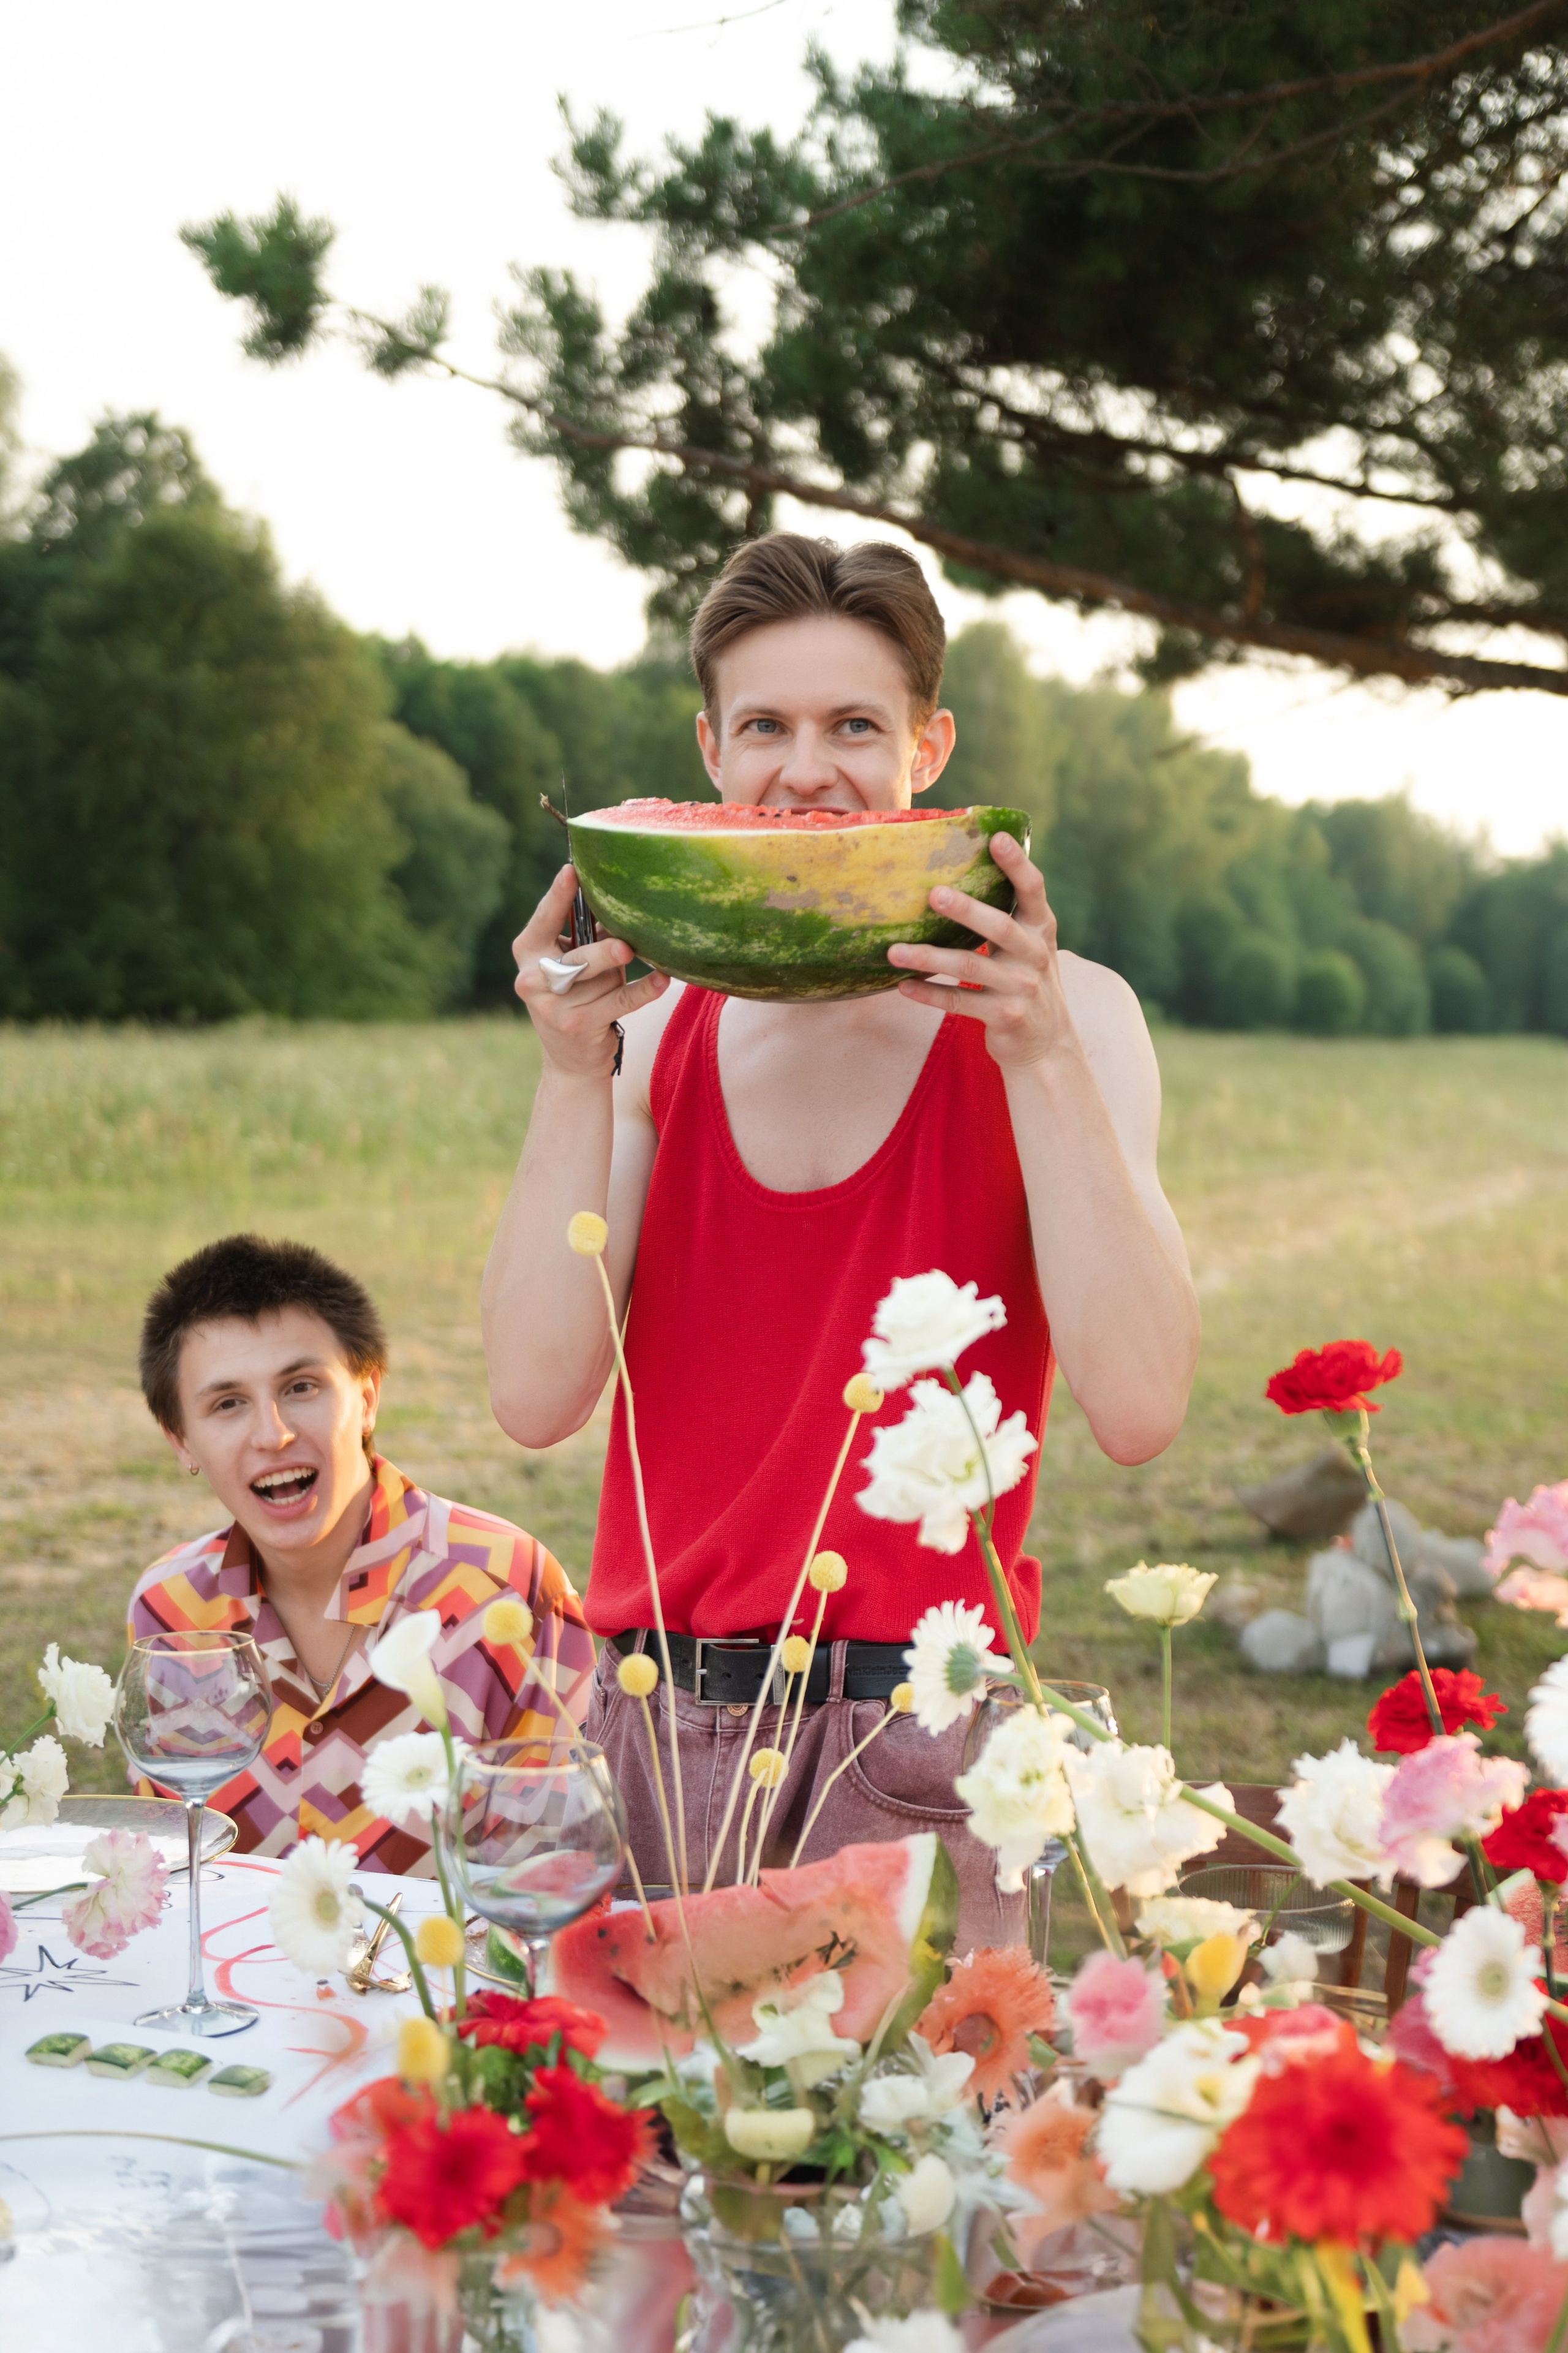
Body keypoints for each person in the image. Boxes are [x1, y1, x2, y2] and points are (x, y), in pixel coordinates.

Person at [481, 534, 1198, 1941]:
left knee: (914, 2153)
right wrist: (575, 1077)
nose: (806, 770)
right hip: (657, 1719)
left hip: (927, 1738)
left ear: (925, 748)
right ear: (708, 749)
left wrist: (1041, 1056)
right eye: (766, 726)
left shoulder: (1071, 1021)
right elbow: (531, 1392)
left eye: (852, 725)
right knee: (657, 2157)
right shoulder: (648, 1034)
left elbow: (1137, 1406)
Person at [129, 1233, 594, 1871]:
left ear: (368, 1397)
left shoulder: (510, 1591)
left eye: (301, 1387)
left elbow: (555, 1880)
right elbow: (172, 1870)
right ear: (181, 1439)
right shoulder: (169, 1611)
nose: (274, 1433)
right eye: (228, 1404)